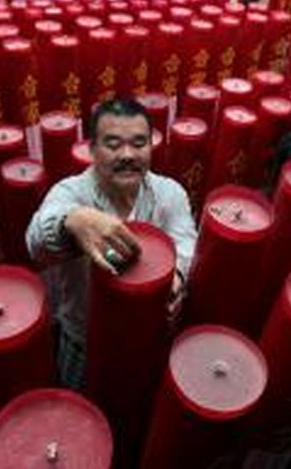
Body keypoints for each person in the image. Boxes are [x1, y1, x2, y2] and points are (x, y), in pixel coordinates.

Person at [26, 98, 197, 389]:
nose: (128, 154)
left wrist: (178, 275)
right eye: (114, 144)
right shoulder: (71, 192)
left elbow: (186, 244)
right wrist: (71, 220)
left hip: (147, 338)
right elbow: (35, 242)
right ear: (92, 150)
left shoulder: (170, 194)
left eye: (139, 143)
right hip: (84, 342)